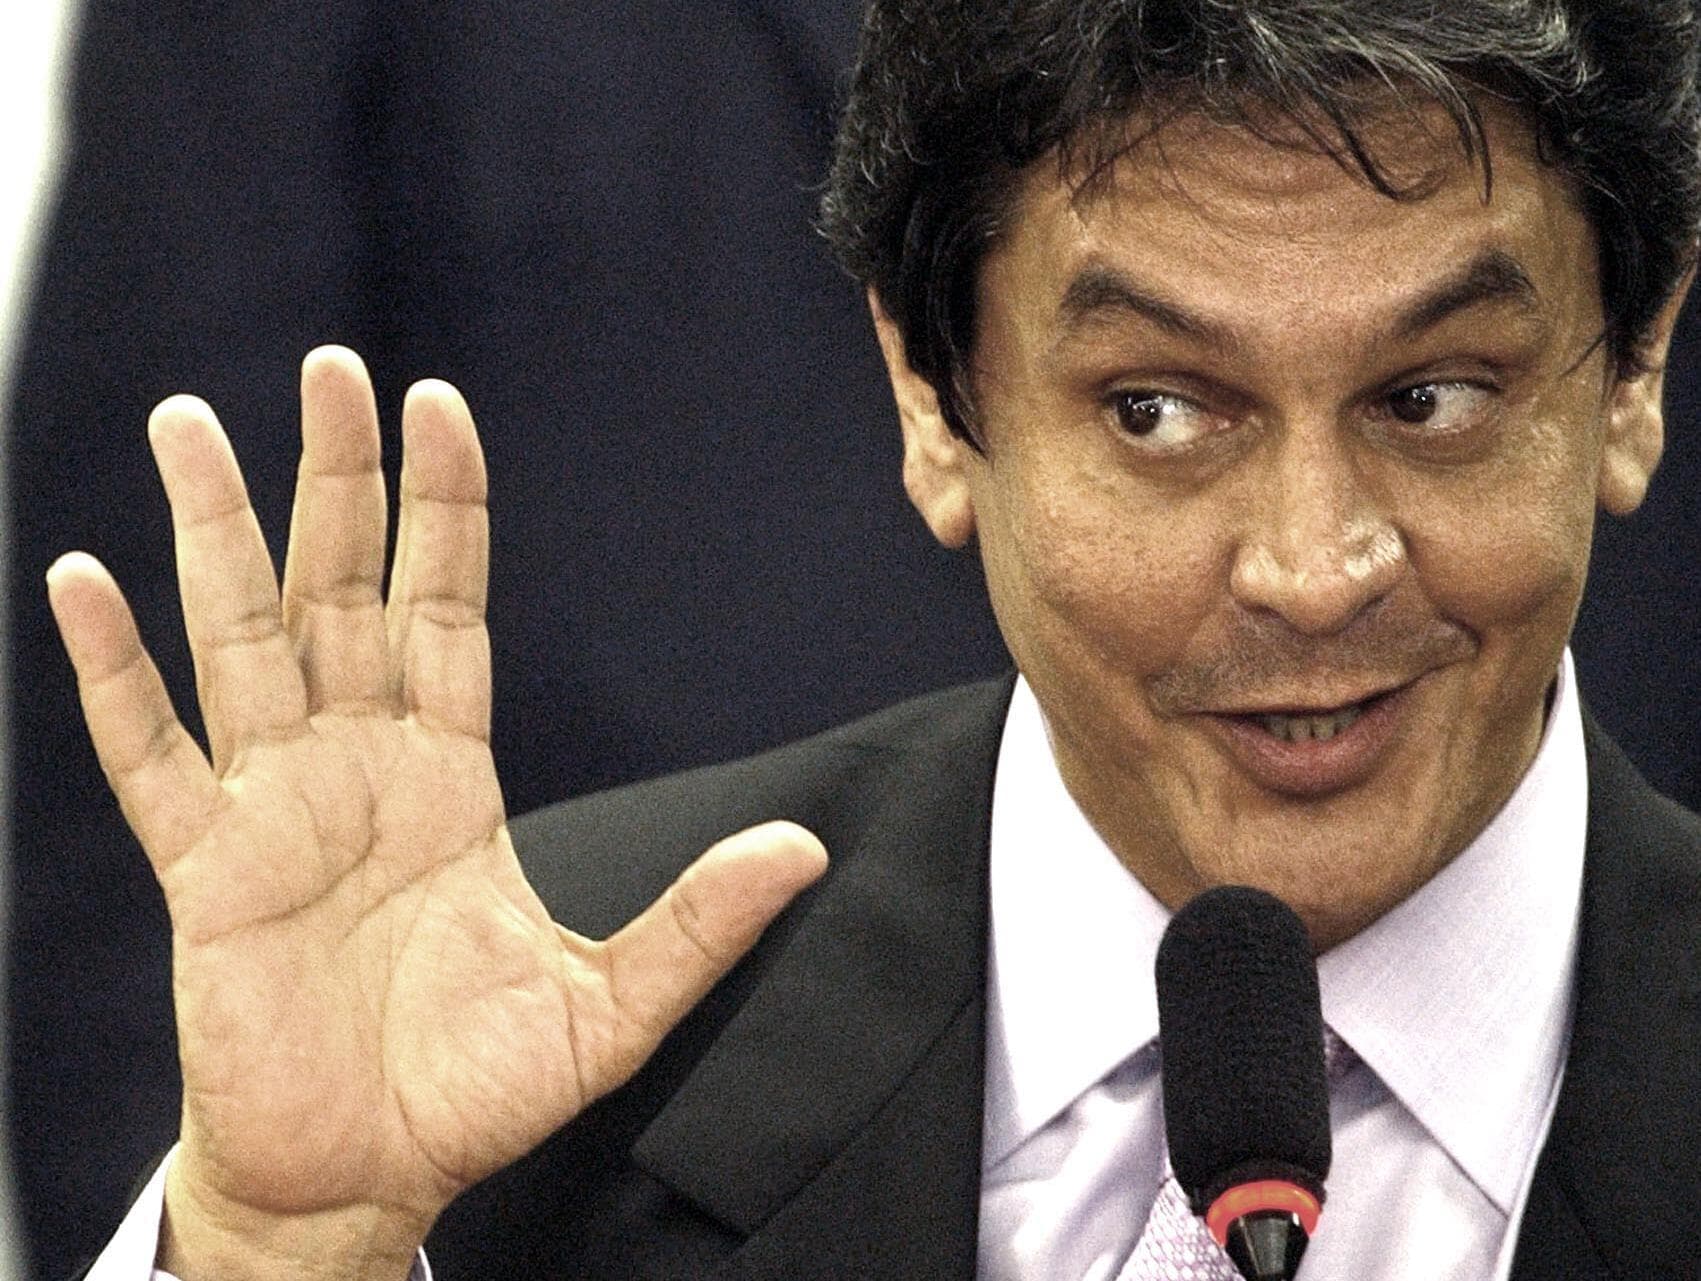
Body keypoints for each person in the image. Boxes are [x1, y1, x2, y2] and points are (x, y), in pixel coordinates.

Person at [64, 0, 1701, 1276]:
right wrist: (279, 1257)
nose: (1313, 569)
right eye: (1154, 409)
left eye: (1431, 398)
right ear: (931, 395)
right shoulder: (512, 1074)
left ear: (1630, 370)